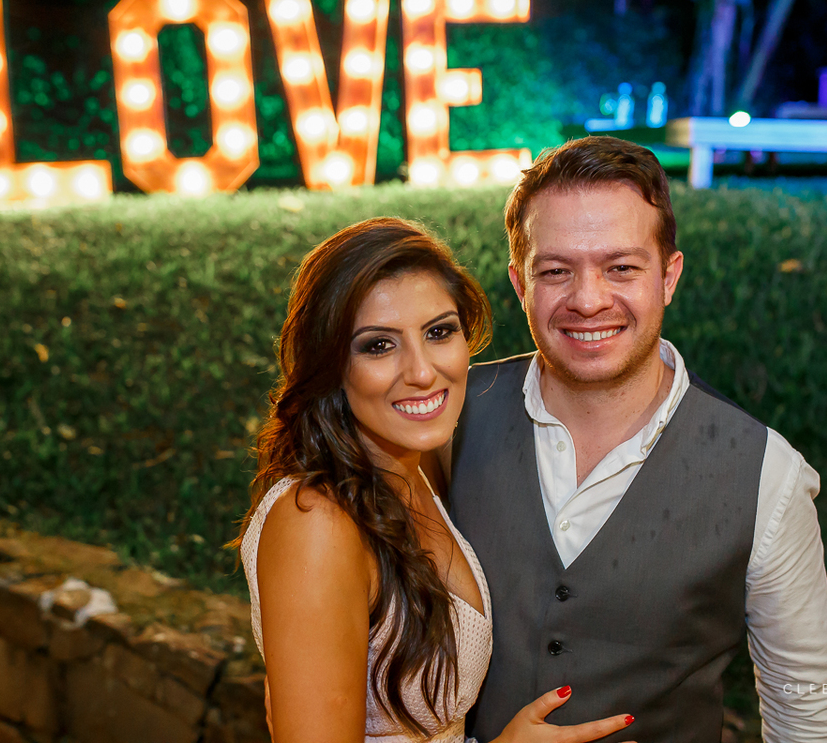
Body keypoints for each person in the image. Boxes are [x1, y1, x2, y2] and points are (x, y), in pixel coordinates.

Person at [448, 137, 827, 743]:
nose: (588, 300)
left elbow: (806, 710)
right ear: (519, 283)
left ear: (668, 277)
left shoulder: (766, 473)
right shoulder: (441, 424)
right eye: (556, 271)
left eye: (621, 268)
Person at [235, 217, 636, 743]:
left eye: (439, 332)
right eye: (378, 345)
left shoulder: (420, 468)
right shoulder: (317, 523)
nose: (423, 371)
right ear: (332, 365)